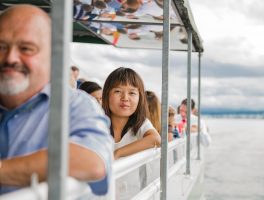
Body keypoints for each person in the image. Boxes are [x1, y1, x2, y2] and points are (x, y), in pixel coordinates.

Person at [0, 5, 113, 195]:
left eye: (26, 48)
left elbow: (92, 160)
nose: (10, 58)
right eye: (1, 47)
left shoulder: (76, 105)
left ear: (51, 56)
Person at [102, 67, 161, 159]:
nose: (125, 98)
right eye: (117, 91)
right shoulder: (97, 122)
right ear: (107, 95)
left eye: (132, 93)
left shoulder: (141, 123)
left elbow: (156, 139)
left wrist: (117, 153)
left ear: (140, 98)